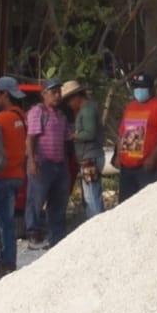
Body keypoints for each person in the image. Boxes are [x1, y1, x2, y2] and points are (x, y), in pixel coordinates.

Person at [0, 76, 27, 280]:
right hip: (18, 175)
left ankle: (6, 263)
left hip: (3, 176)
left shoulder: (0, 120)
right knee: (9, 220)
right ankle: (9, 261)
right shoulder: (21, 117)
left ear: (5, 95)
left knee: (3, 222)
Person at [25, 78, 71, 249]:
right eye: (53, 92)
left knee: (58, 202)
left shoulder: (61, 115)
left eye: (59, 92)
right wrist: (31, 161)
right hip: (42, 163)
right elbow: (30, 138)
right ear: (43, 94)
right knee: (36, 200)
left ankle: (56, 238)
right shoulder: (38, 112)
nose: (57, 96)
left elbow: (67, 138)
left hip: (59, 164)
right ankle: (34, 235)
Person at [115, 73, 157, 203]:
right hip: (127, 167)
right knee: (126, 205)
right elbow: (122, 133)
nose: (139, 90)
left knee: (148, 204)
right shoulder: (131, 106)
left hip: (148, 167)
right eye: (136, 87)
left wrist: (153, 157)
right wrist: (119, 155)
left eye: (142, 87)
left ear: (152, 89)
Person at [60, 80, 105, 219]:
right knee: (91, 193)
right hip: (89, 156)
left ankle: (96, 223)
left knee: (91, 195)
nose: (69, 104)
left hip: (89, 157)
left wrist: (73, 135)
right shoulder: (88, 108)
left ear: (76, 96)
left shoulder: (87, 110)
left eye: (69, 100)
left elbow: (89, 133)